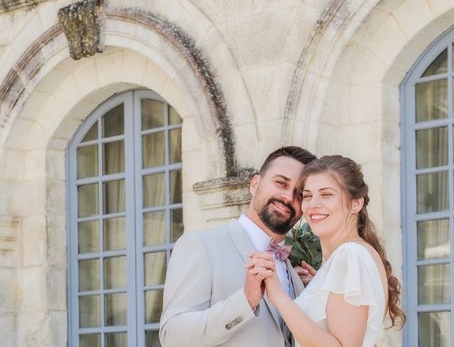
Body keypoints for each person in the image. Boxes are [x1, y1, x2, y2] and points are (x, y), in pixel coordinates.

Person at [159, 146, 316, 347]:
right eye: (281, 183)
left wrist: (314, 294)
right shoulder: (200, 245)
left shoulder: (294, 274)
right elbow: (173, 337)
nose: (288, 197)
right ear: (255, 184)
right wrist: (245, 301)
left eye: (300, 193)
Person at [247, 155, 406, 347]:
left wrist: (279, 297)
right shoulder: (355, 254)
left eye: (326, 194)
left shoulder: (350, 256)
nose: (314, 204)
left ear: (356, 203)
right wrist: (319, 288)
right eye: (307, 196)